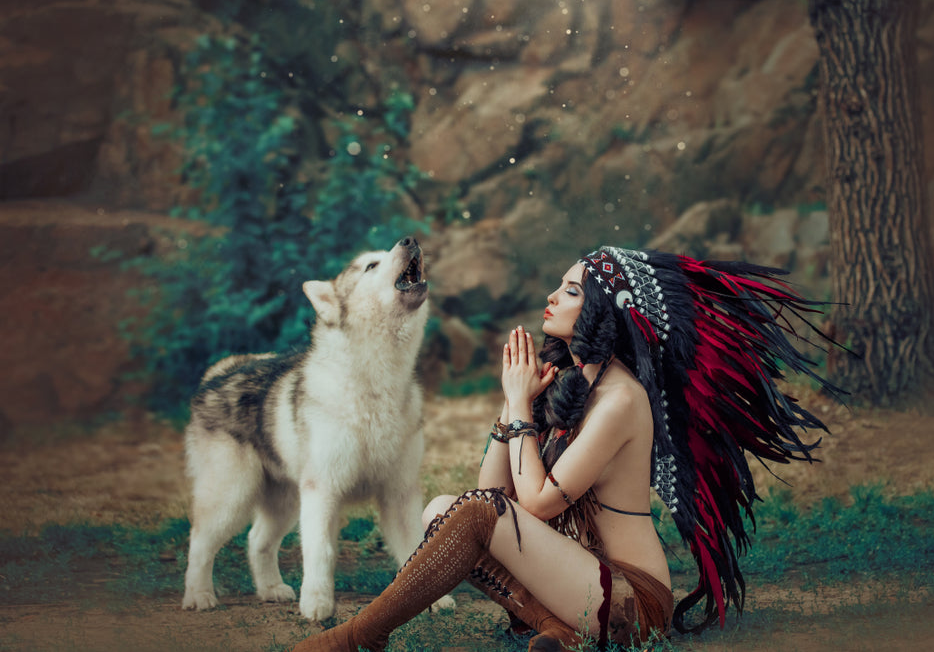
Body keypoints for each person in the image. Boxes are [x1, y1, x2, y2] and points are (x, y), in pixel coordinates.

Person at [291, 246, 835, 652]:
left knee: (474, 513)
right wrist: (514, 406)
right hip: (575, 582)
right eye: (559, 285)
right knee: (440, 510)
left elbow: (538, 503)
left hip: (628, 601)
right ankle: (555, 628)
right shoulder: (568, 381)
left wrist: (519, 408)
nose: (552, 296)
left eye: (572, 291)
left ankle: (362, 635)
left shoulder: (621, 399)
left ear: (604, 312)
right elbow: (488, 494)